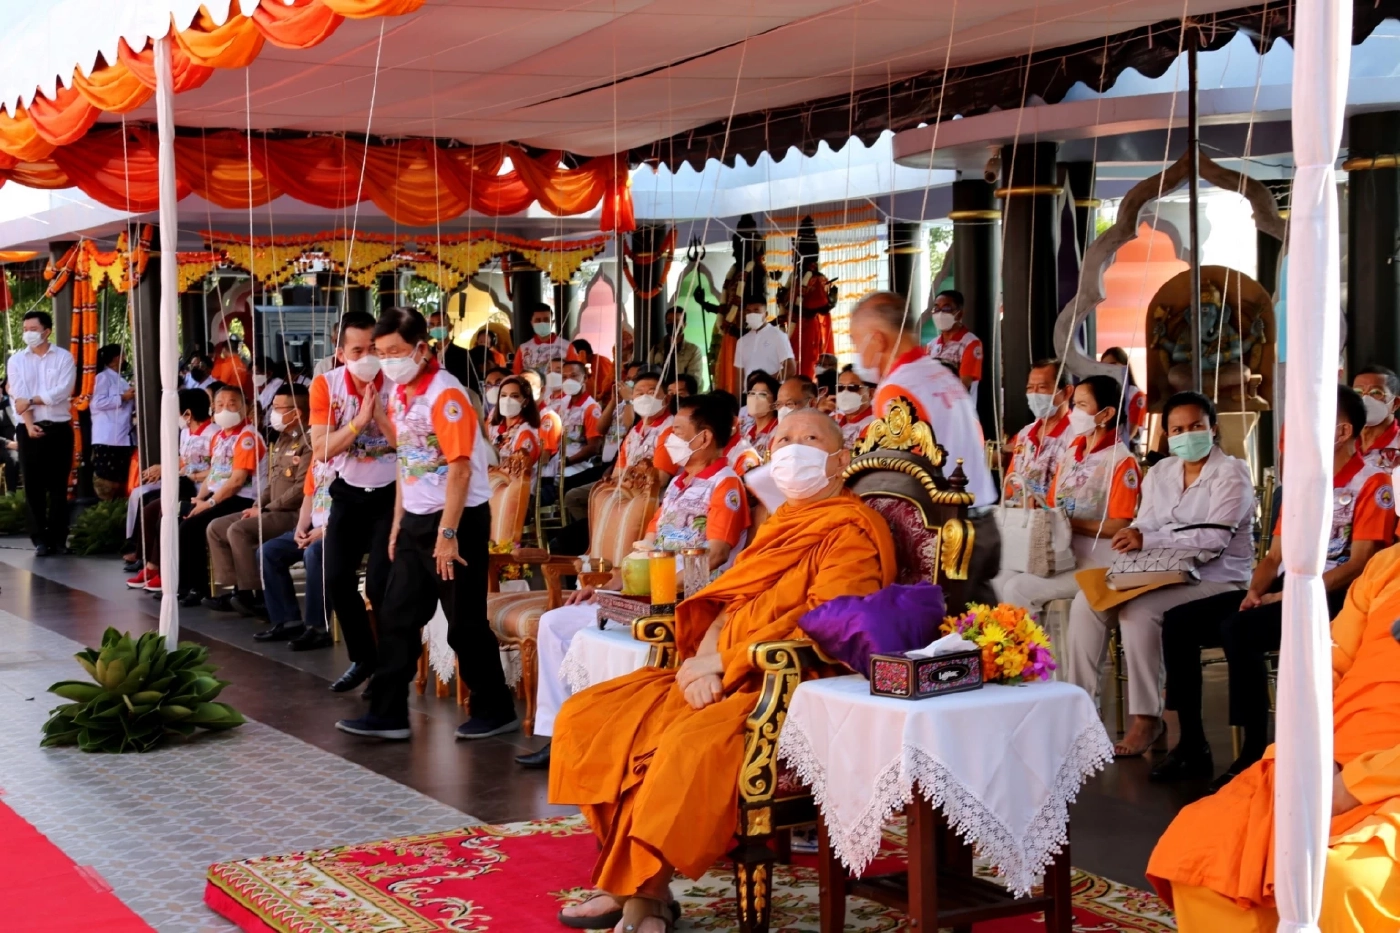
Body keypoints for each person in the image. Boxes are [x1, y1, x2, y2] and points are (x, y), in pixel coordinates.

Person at [547, 409, 897, 931]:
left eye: (810, 439)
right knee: (590, 717)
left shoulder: (850, 530)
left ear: (840, 460)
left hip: (786, 685)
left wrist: (722, 662)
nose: (792, 448)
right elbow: (728, 601)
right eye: (782, 439)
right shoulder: (779, 524)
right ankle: (630, 882)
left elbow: (829, 628)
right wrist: (701, 661)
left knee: (681, 746)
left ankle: (644, 898)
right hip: (721, 670)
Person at [1147, 543, 1400, 932]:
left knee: (1340, 879)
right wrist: (1310, 746)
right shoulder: (1387, 565)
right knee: (1199, 846)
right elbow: (1329, 665)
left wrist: (1353, 784)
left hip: (1386, 779)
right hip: (1328, 753)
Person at [1152, 386, 1396, 787]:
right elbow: (1273, 558)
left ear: (1341, 431)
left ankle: (1253, 750)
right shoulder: (1302, 484)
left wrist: (1287, 596)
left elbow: (1358, 564)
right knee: (1179, 622)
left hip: (1335, 595)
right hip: (1289, 587)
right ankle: (1192, 744)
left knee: (1239, 630)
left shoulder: (1373, 483)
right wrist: (1254, 592)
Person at [517, 393, 752, 770]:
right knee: (554, 622)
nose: (668, 439)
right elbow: (646, 547)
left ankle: (613, 735)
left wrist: (662, 586)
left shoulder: (725, 487)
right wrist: (608, 582)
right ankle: (558, 732)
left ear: (704, 438)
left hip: (686, 600)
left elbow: (717, 553)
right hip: (643, 591)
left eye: (677, 431)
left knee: (580, 631)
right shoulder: (677, 485)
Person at [336, 307, 516, 741]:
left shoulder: (446, 394)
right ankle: (387, 713)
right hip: (416, 519)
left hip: (456, 521)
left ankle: (495, 708)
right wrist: (399, 520)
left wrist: (447, 534)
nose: (388, 360)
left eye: (395, 351)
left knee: (463, 623)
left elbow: (459, 469)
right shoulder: (400, 393)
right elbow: (409, 458)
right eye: (381, 353)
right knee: (396, 616)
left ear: (421, 348)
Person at [1065, 389, 1255, 758]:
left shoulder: (1232, 474)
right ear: (1167, 435)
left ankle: (1147, 717)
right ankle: (1080, 713)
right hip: (1159, 570)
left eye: (1196, 426)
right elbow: (1146, 520)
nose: (1187, 435)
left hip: (1218, 580)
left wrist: (1147, 536)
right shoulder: (1162, 471)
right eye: (1178, 429)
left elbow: (1213, 537)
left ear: (1213, 428)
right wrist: (1133, 532)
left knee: (1139, 612)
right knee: (1086, 601)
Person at [850, 291, 999, 602]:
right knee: (977, 632)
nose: (856, 352)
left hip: (941, 535)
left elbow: (896, 479)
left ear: (876, 340)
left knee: (939, 640)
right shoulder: (939, 374)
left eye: (856, 341)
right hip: (980, 522)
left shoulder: (897, 389)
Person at [996, 374, 1140, 617]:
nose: (1074, 412)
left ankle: (1036, 652)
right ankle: (1014, 653)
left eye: (1083, 406)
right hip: (1062, 550)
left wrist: (1067, 522)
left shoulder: (1121, 462)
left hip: (1097, 558)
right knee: (1000, 578)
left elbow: (1119, 526)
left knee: (1019, 589)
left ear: (1106, 414)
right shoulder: (1072, 451)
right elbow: (1052, 504)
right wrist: (1038, 509)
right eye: (1075, 405)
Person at [306, 310, 397, 689]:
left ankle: (391, 666)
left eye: (373, 348)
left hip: (393, 493)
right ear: (341, 353)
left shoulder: (397, 380)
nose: (367, 357)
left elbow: (409, 447)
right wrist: (360, 421)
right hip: (348, 490)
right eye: (357, 350)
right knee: (336, 578)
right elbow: (321, 449)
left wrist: (379, 413)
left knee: (378, 585)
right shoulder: (326, 385)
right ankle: (364, 659)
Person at [203, 383, 311, 616]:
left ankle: (254, 596)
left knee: (238, 530)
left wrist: (266, 509)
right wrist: (258, 505)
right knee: (216, 527)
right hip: (271, 509)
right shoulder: (283, 439)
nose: (274, 412)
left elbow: (302, 488)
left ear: (297, 412)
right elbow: (272, 482)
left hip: (293, 515)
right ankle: (236, 591)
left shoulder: (309, 442)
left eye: (279, 408)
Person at [177, 385, 267, 605]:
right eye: (220, 405)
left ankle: (198, 589)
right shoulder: (219, 436)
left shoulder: (247, 437)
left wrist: (209, 504)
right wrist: (201, 498)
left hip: (243, 498)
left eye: (232, 403)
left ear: (245, 408)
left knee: (192, 525)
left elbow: (237, 481)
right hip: (220, 496)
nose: (225, 409)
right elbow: (215, 474)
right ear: (213, 409)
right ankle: (182, 584)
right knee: (178, 515)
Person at [125, 389, 214, 590]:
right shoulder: (185, 432)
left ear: (188, 413)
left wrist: (185, 473)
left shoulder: (213, 433)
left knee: (166, 513)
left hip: (204, 491)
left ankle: (166, 570)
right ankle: (151, 566)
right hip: (186, 486)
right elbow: (185, 459)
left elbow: (216, 469)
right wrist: (165, 468)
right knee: (149, 509)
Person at [8, 310, 77, 555]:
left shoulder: (64, 358)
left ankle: (59, 538)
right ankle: (39, 539)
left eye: (33, 329)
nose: (28, 333)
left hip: (58, 428)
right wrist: (28, 424)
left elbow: (63, 391)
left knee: (59, 486)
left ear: (46, 331)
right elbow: (18, 397)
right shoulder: (16, 360)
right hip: (28, 429)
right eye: (25, 329)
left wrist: (33, 400)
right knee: (33, 486)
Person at [254, 461, 334, 649]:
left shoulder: (349, 452)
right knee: (268, 552)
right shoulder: (318, 456)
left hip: (337, 529)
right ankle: (288, 621)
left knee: (314, 554)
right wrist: (300, 528)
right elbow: (309, 495)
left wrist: (324, 529)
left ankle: (318, 628)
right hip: (313, 526)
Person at [1000, 358, 1072, 508]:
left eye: (1042, 387)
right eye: (1030, 388)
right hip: (1018, 520)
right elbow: (1010, 486)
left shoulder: (1077, 436)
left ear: (1067, 392)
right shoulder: (1025, 434)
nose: (1034, 394)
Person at [90, 343, 135, 501]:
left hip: (123, 436)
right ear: (116, 358)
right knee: (107, 482)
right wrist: (122, 397)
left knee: (121, 478)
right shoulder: (102, 378)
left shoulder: (121, 380)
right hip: (107, 437)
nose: (125, 359)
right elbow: (96, 403)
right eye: (123, 356)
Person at [927, 289, 983, 402]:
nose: (940, 313)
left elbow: (964, 384)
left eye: (947, 308)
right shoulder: (931, 345)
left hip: (959, 412)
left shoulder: (971, 343)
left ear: (959, 314)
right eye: (937, 308)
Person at [489, 375, 544, 472]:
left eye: (514, 396)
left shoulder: (526, 432)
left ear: (525, 401)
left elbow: (519, 471)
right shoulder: (494, 427)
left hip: (514, 485)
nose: (507, 400)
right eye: (503, 395)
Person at [734, 300, 795, 387]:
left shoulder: (778, 336)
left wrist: (766, 382)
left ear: (766, 314)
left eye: (756, 310)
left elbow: (790, 369)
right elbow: (739, 377)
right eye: (748, 311)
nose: (752, 315)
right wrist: (738, 399)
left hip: (772, 393)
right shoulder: (741, 341)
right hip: (748, 395)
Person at [1353, 364, 1400, 471]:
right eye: (1358, 392)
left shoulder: (1397, 444)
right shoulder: (1342, 442)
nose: (1365, 399)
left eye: (1375, 392)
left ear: (1395, 403)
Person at [1100, 347, 1147, 448]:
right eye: (1104, 366)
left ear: (1125, 366)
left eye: (1113, 365)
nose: (1108, 370)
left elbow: (1130, 432)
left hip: (1127, 448)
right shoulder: (1104, 394)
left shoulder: (1136, 395)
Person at [648, 306, 705, 386]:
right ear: (665, 324)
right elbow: (647, 373)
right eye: (669, 321)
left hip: (681, 394)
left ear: (684, 325)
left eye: (677, 321)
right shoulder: (656, 348)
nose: (673, 324)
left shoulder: (693, 351)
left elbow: (694, 379)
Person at [512, 302, 569, 375]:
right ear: (532, 323)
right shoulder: (523, 349)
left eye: (546, 320)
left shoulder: (567, 347)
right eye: (538, 320)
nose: (542, 323)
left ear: (552, 322)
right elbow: (517, 375)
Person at [428, 310, 473, 388]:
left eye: (440, 324)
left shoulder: (462, 354)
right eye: (432, 325)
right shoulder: (428, 354)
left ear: (450, 327)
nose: (435, 328)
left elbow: (468, 383)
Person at [742, 371, 781, 459]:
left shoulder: (778, 432)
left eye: (762, 394)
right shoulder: (748, 431)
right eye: (752, 393)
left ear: (775, 402)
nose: (755, 398)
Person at [569, 339, 616, 407]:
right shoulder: (589, 364)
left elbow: (601, 390)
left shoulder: (600, 362)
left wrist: (582, 363)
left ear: (582, 354)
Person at [0, 377, 20, 492]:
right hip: (4, 446)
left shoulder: (21, 404)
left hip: (24, 443)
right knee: (13, 457)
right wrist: (8, 443)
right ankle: (11, 494)